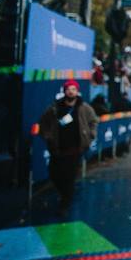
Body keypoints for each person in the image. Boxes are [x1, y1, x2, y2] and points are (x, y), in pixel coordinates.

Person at [39, 80, 98, 216]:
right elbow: (43, 123)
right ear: (64, 91)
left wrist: (91, 134)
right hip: (57, 149)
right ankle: (65, 195)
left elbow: (94, 121)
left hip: (76, 149)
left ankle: (64, 204)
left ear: (77, 91)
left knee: (69, 177)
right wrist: (48, 136)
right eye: (68, 89)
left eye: (73, 89)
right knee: (54, 175)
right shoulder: (55, 108)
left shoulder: (83, 107)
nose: (71, 91)